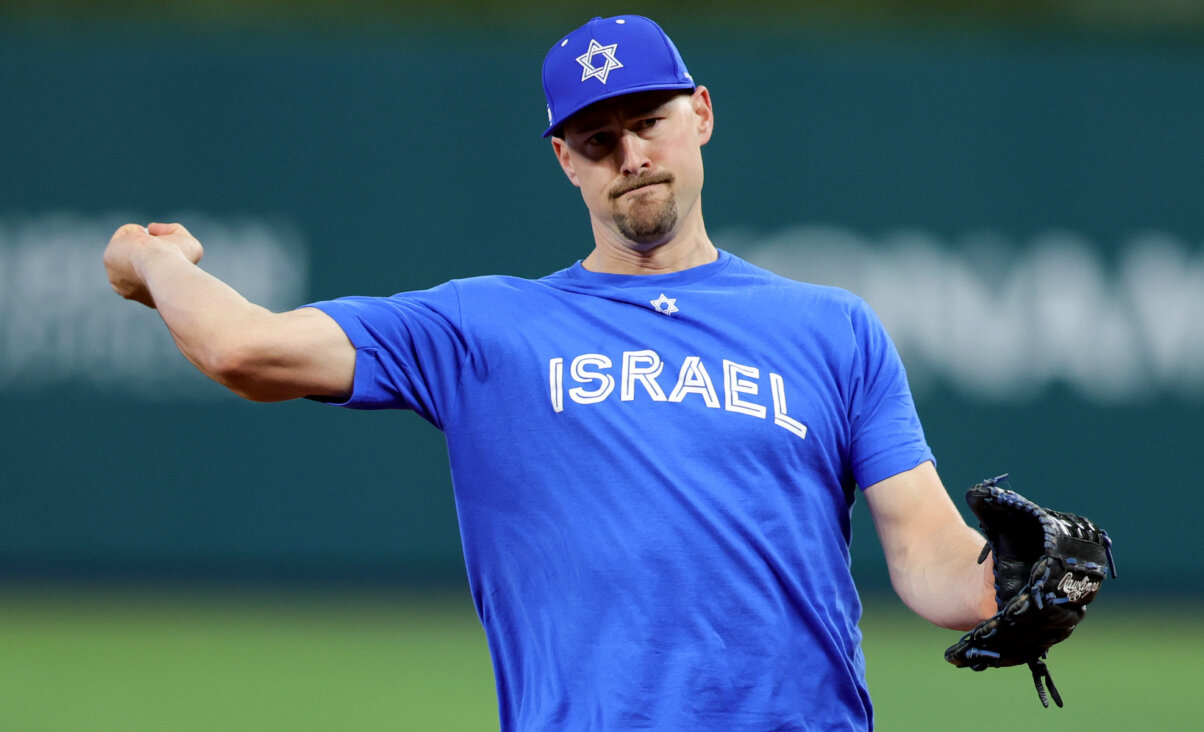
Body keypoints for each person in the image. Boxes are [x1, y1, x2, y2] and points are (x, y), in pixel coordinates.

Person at [103, 15, 995, 731]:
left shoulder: (831, 329)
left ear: (702, 115)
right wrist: (158, 264)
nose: (631, 155)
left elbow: (928, 556)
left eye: (648, 122)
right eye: (597, 138)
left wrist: (1010, 581)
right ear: (564, 159)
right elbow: (243, 350)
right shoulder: (483, 326)